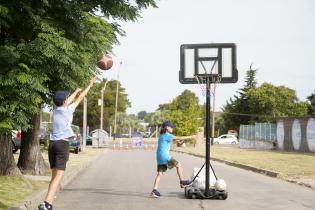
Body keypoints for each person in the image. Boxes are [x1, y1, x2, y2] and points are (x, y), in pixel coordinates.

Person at [38, 77, 96, 210]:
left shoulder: (55, 111)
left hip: (52, 144)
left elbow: (69, 100)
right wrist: (90, 85)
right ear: (64, 101)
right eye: (66, 98)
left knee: (54, 176)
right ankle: (46, 203)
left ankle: (50, 199)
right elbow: (81, 97)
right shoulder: (68, 110)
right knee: (59, 176)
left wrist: (75, 91)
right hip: (62, 145)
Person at [150, 121, 194, 198]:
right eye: (171, 127)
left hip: (159, 156)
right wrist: (192, 136)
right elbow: (179, 138)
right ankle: (182, 182)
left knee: (160, 174)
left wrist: (178, 142)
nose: (172, 128)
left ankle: (154, 191)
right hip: (164, 156)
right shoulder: (167, 135)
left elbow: (173, 141)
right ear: (167, 128)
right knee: (178, 165)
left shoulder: (162, 135)